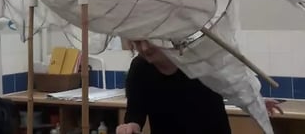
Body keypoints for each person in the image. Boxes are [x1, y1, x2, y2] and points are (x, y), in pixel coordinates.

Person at [116, 40, 283, 134]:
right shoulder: (139, 68)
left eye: (148, 40)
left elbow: (231, 85)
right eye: (137, 42)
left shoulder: (197, 59)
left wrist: (254, 101)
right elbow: (135, 112)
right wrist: (130, 126)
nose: (144, 48)